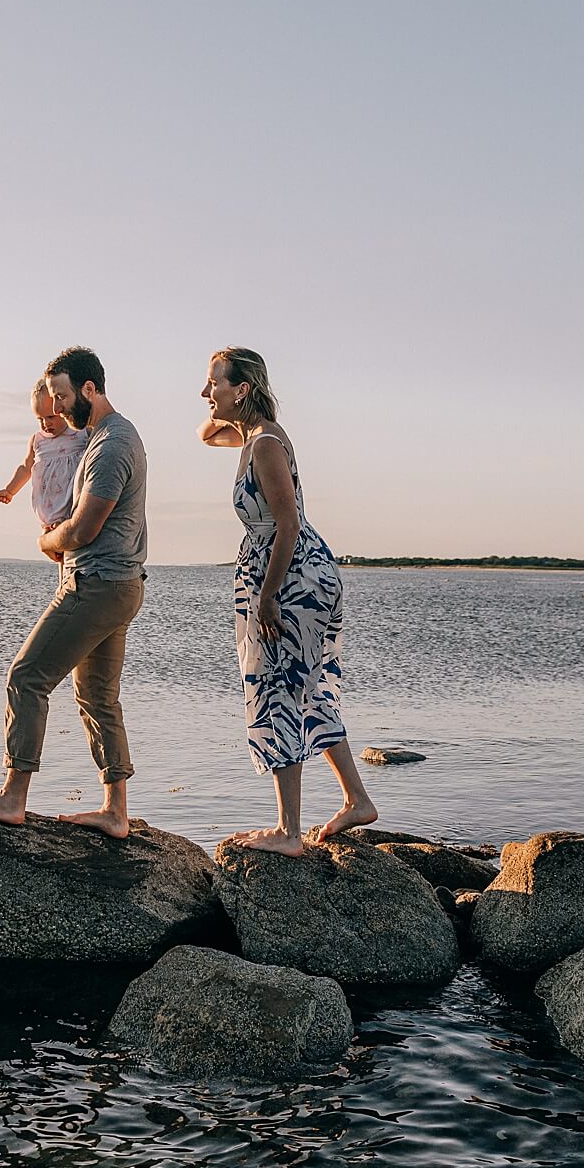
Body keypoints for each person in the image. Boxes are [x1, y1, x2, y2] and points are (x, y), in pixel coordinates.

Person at [0, 345, 148, 838]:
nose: (58, 406)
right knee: (97, 696)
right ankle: (116, 811)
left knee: (26, 676)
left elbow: (82, 529)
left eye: (63, 395)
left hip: (96, 582)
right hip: (117, 583)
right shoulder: (102, 438)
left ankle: (12, 798)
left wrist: (46, 541)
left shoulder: (110, 446)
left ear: (89, 389)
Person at [199, 347, 376, 854]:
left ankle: (288, 831)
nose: (206, 393)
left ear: (244, 390)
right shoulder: (253, 436)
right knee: (307, 686)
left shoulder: (265, 445)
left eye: (214, 383)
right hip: (291, 572)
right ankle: (356, 799)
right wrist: (218, 408)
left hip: (292, 576)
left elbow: (289, 525)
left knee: (279, 686)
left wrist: (269, 595)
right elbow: (204, 431)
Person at [0, 380, 89, 562]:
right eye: (40, 419)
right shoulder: (38, 441)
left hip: (71, 503)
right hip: (49, 506)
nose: (46, 424)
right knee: (60, 553)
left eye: (51, 417)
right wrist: (10, 490)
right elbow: (26, 467)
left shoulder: (79, 433)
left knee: (71, 550)